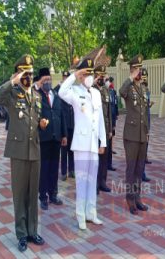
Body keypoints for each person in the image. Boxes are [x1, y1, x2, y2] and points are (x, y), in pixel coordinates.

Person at [0, 54, 46, 252]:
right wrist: (12, 81)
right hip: (18, 152)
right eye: (25, 73)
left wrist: (41, 123)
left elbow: (35, 120)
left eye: (31, 73)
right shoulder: (12, 94)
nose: (29, 77)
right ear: (18, 74)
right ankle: (21, 234)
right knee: (20, 195)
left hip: (35, 151)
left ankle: (32, 231)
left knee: (33, 195)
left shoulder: (37, 95)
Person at [58, 56, 106, 229]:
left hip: (94, 144)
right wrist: (74, 75)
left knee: (92, 181)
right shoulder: (75, 91)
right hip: (81, 144)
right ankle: (80, 216)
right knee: (81, 181)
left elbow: (100, 119)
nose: (89, 77)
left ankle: (91, 213)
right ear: (82, 75)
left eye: (91, 74)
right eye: (86, 73)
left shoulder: (97, 93)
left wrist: (103, 142)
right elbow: (61, 92)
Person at [119, 54, 149, 215]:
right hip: (131, 135)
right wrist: (130, 77)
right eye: (137, 69)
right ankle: (130, 199)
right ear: (132, 71)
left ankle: (137, 197)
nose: (140, 72)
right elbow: (121, 91)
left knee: (139, 168)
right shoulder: (129, 87)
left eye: (140, 69)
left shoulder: (143, 88)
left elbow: (144, 113)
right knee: (131, 169)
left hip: (142, 135)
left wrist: (148, 132)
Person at [37, 68, 67, 210]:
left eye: (49, 79)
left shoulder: (56, 94)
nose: (48, 82)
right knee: (44, 168)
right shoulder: (36, 96)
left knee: (54, 168)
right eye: (45, 80)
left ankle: (53, 194)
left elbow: (62, 116)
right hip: (44, 138)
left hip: (56, 138)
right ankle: (43, 197)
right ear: (40, 81)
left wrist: (64, 135)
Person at [93, 65, 113, 194]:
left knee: (104, 157)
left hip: (105, 129)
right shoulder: (91, 90)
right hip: (94, 130)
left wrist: (110, 129)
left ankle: (102, 182)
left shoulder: (106, 91)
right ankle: (94, 184)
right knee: (95, 158)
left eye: (103, 75)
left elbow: (109, 112)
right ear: (95, 76)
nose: (102, 78)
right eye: (100, 75)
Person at [55, 71, 75, 181]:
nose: (66, 78)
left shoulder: (73, 89)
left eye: (67, 77)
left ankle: (72, 170)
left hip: (72, 123)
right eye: (64, 77)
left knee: (72, 149)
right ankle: (63, 172)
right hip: (64, 124)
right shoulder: (59, 89)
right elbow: (52, 93)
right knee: (64, 149)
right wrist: (59, 85)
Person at [141, 67, 153, 182]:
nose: (144, 79)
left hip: (147, 121)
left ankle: (142, 172)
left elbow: (146, 107)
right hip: (140, 124)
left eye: (146, 77)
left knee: (145, 147)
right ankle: (140, 172)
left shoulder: (147, 90)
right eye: (143, 76)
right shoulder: (138, 90)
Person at [106, 76, 118, 171]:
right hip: (105, 124)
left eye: (109, 80)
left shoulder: (113, 92)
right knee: (105, 146)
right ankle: (105, 164)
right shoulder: (102, 92)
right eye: (107, 80)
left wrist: (114, 123)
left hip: (111, 121)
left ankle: (109, 164)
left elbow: (114, 107)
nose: (109, 82)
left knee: (109, 146)